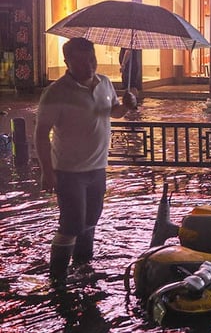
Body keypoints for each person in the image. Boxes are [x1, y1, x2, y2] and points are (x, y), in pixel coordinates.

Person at [35, 37, 137, 286]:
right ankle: (57, 277)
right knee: (71, 222)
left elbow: (112, 111)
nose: (89, 66)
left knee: (91, 218)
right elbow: (40, 133)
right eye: (80, 62)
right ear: (66, 62)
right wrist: (47, 172)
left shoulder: (105, 83)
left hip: (98, 167)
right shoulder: (56, 92)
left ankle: (83, 265)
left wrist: (127, 106)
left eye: (91, 59)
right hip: (69, 170)